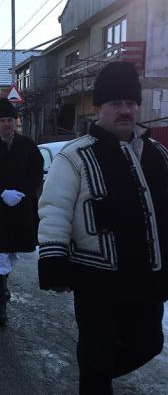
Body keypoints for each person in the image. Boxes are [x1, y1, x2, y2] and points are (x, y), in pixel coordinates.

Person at [38, 62, 168, 394]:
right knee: (96, 357)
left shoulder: (158, 154)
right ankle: (94, 376)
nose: (125, 110)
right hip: (96, 279)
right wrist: (54, 260)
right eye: (115, 104)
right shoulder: (75, 156)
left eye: (131, 103)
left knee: (149, 343)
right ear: (98, 109)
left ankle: (96, 371)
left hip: (147, 278)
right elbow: (54, 208)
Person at [0, 98, 43, 325]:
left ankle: (3, 284)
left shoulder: (28, 146)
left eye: (10, 120)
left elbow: (36, 173)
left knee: (12, 254)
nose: (6, 124)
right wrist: (1, 193)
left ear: (16, 121)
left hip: (21, 210)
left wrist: (22, 192)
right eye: (2, 120)